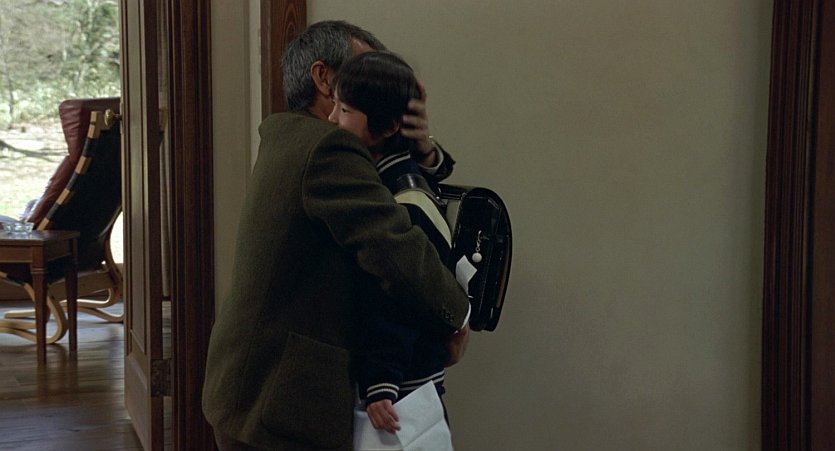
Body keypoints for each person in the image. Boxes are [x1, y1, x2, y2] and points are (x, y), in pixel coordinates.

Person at [202, 20, 471, 451]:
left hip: (248, 385)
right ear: (324, 79)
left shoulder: (289, 134)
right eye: (366, 73)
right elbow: (398, 252)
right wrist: (458, 318)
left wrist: (421, 147)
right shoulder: (331, 148)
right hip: (278, 402)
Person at [328, 51, 465, 436]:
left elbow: (401, 297)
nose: (332, 118)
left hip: (405, 391)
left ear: (387, 126)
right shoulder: (391, 180)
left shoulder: (403, 201)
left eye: (344, 110)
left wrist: (382, 380)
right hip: (404, 382)